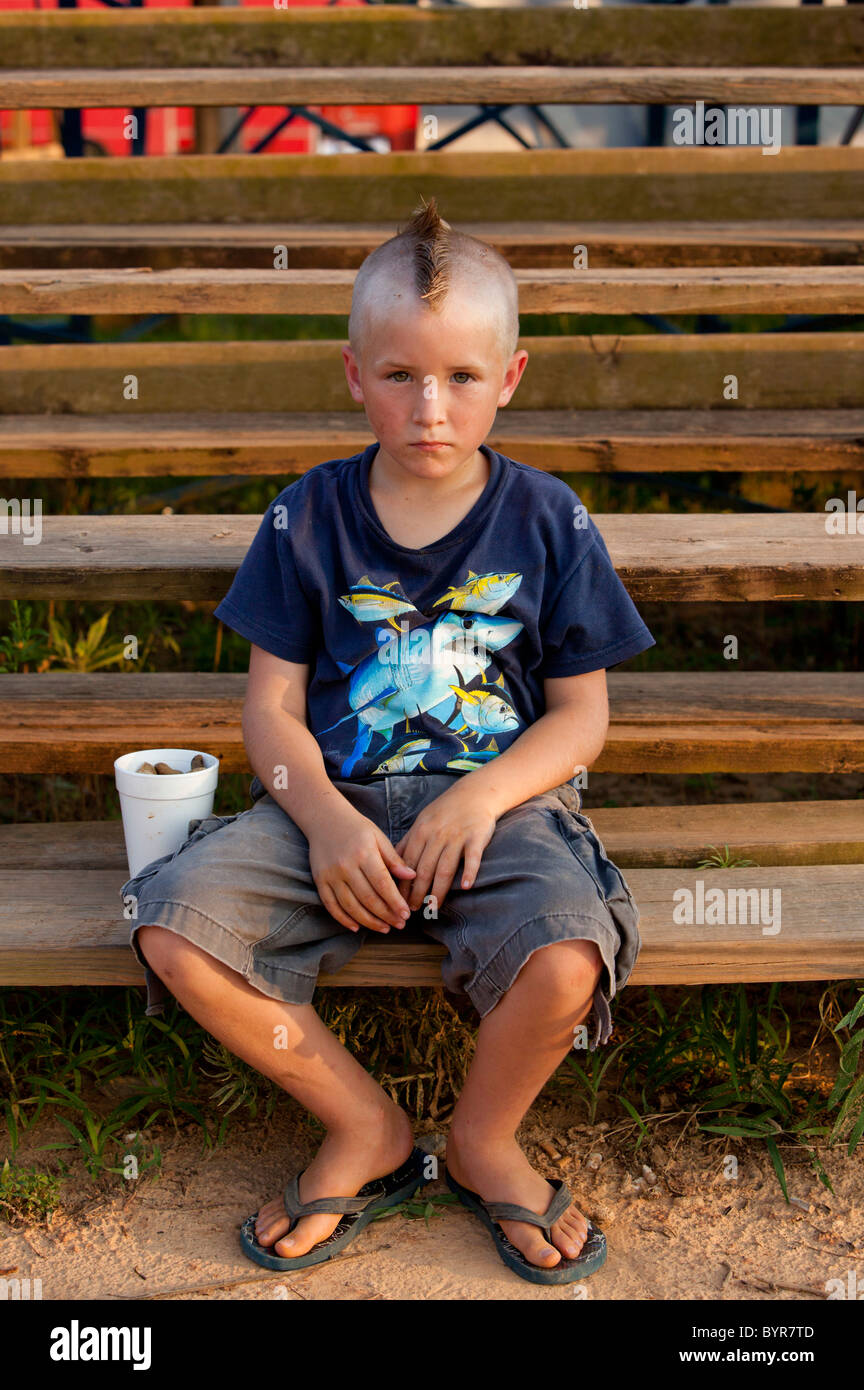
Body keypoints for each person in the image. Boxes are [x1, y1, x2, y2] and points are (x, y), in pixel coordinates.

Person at [119, 195, 655, 1287]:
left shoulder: (550, 520)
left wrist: (480, 798)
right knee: (172, 931)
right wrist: (318, 818)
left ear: (510, 378)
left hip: (499, 808)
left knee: (563, 959)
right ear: (354, 373)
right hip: (333, 803)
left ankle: (481, 1138)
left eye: (462, 377)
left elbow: (581, 714)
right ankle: (362, 1124)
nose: (431, 407)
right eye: (402, 375)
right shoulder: (306, 518)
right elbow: (269, 711)